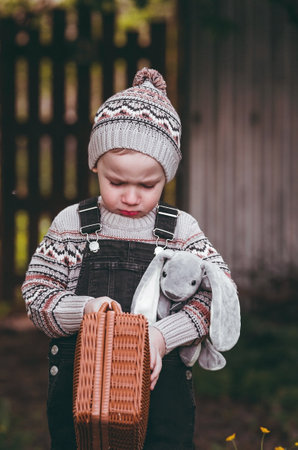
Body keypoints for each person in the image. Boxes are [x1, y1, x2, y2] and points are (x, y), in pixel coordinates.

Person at [22, 67, 237, 450]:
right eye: (116, 182)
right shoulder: (73, 225)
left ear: (167, 176)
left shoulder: (180, 230)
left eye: (148, 185)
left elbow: (218, 295)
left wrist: (162, 336)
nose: (132, 197)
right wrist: (83, 309)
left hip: (162, 400)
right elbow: (38, 294)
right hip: (82, 398)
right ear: (95, 166)